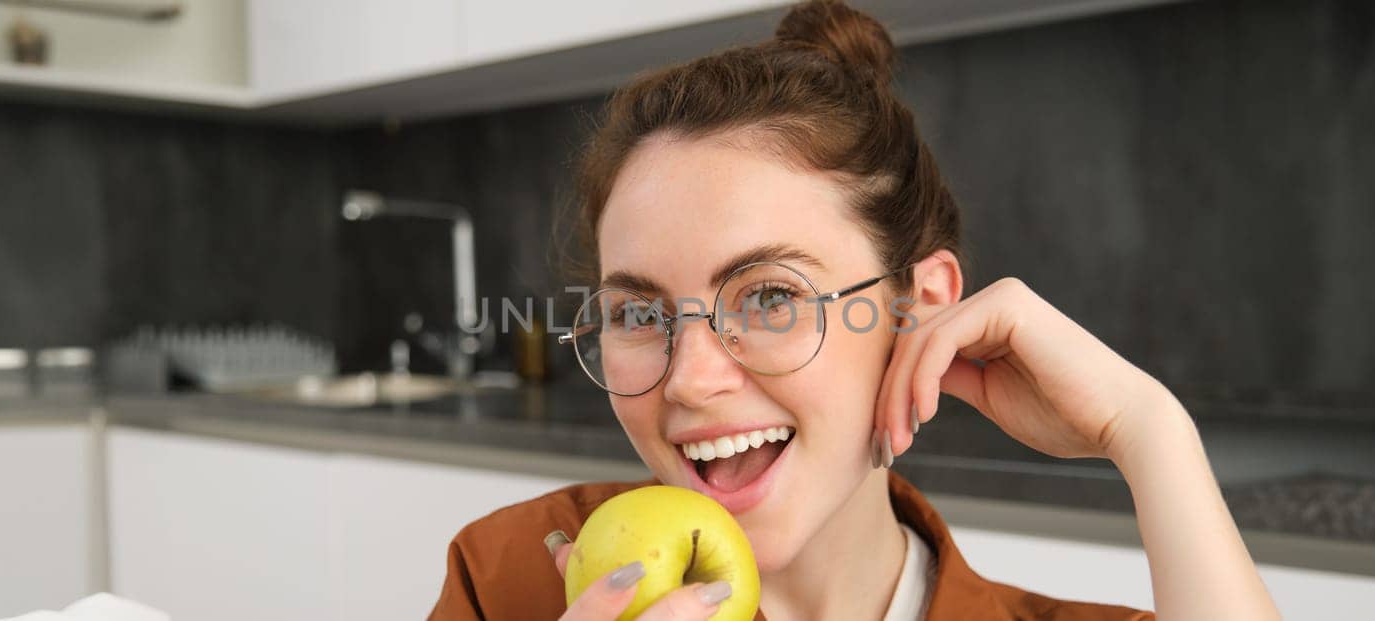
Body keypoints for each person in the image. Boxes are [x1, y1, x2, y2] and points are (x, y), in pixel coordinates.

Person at [432, 1, 1281, 619]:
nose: (689, 380)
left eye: (768, 297)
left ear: (919, 311)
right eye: (641, 315)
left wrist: (1150, 429)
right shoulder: (511, 581)